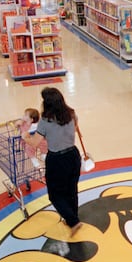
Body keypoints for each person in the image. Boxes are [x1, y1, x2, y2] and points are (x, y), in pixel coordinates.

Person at [22, 87, 83, 234]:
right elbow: (74, 129)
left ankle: (73, 221)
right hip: (73, 156)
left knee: (55, 195)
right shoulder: (71, 113)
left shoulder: (45, 121)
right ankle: (73, 216)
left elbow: (35, 142)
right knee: (71, 189)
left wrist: (25, 137)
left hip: (57, 159)